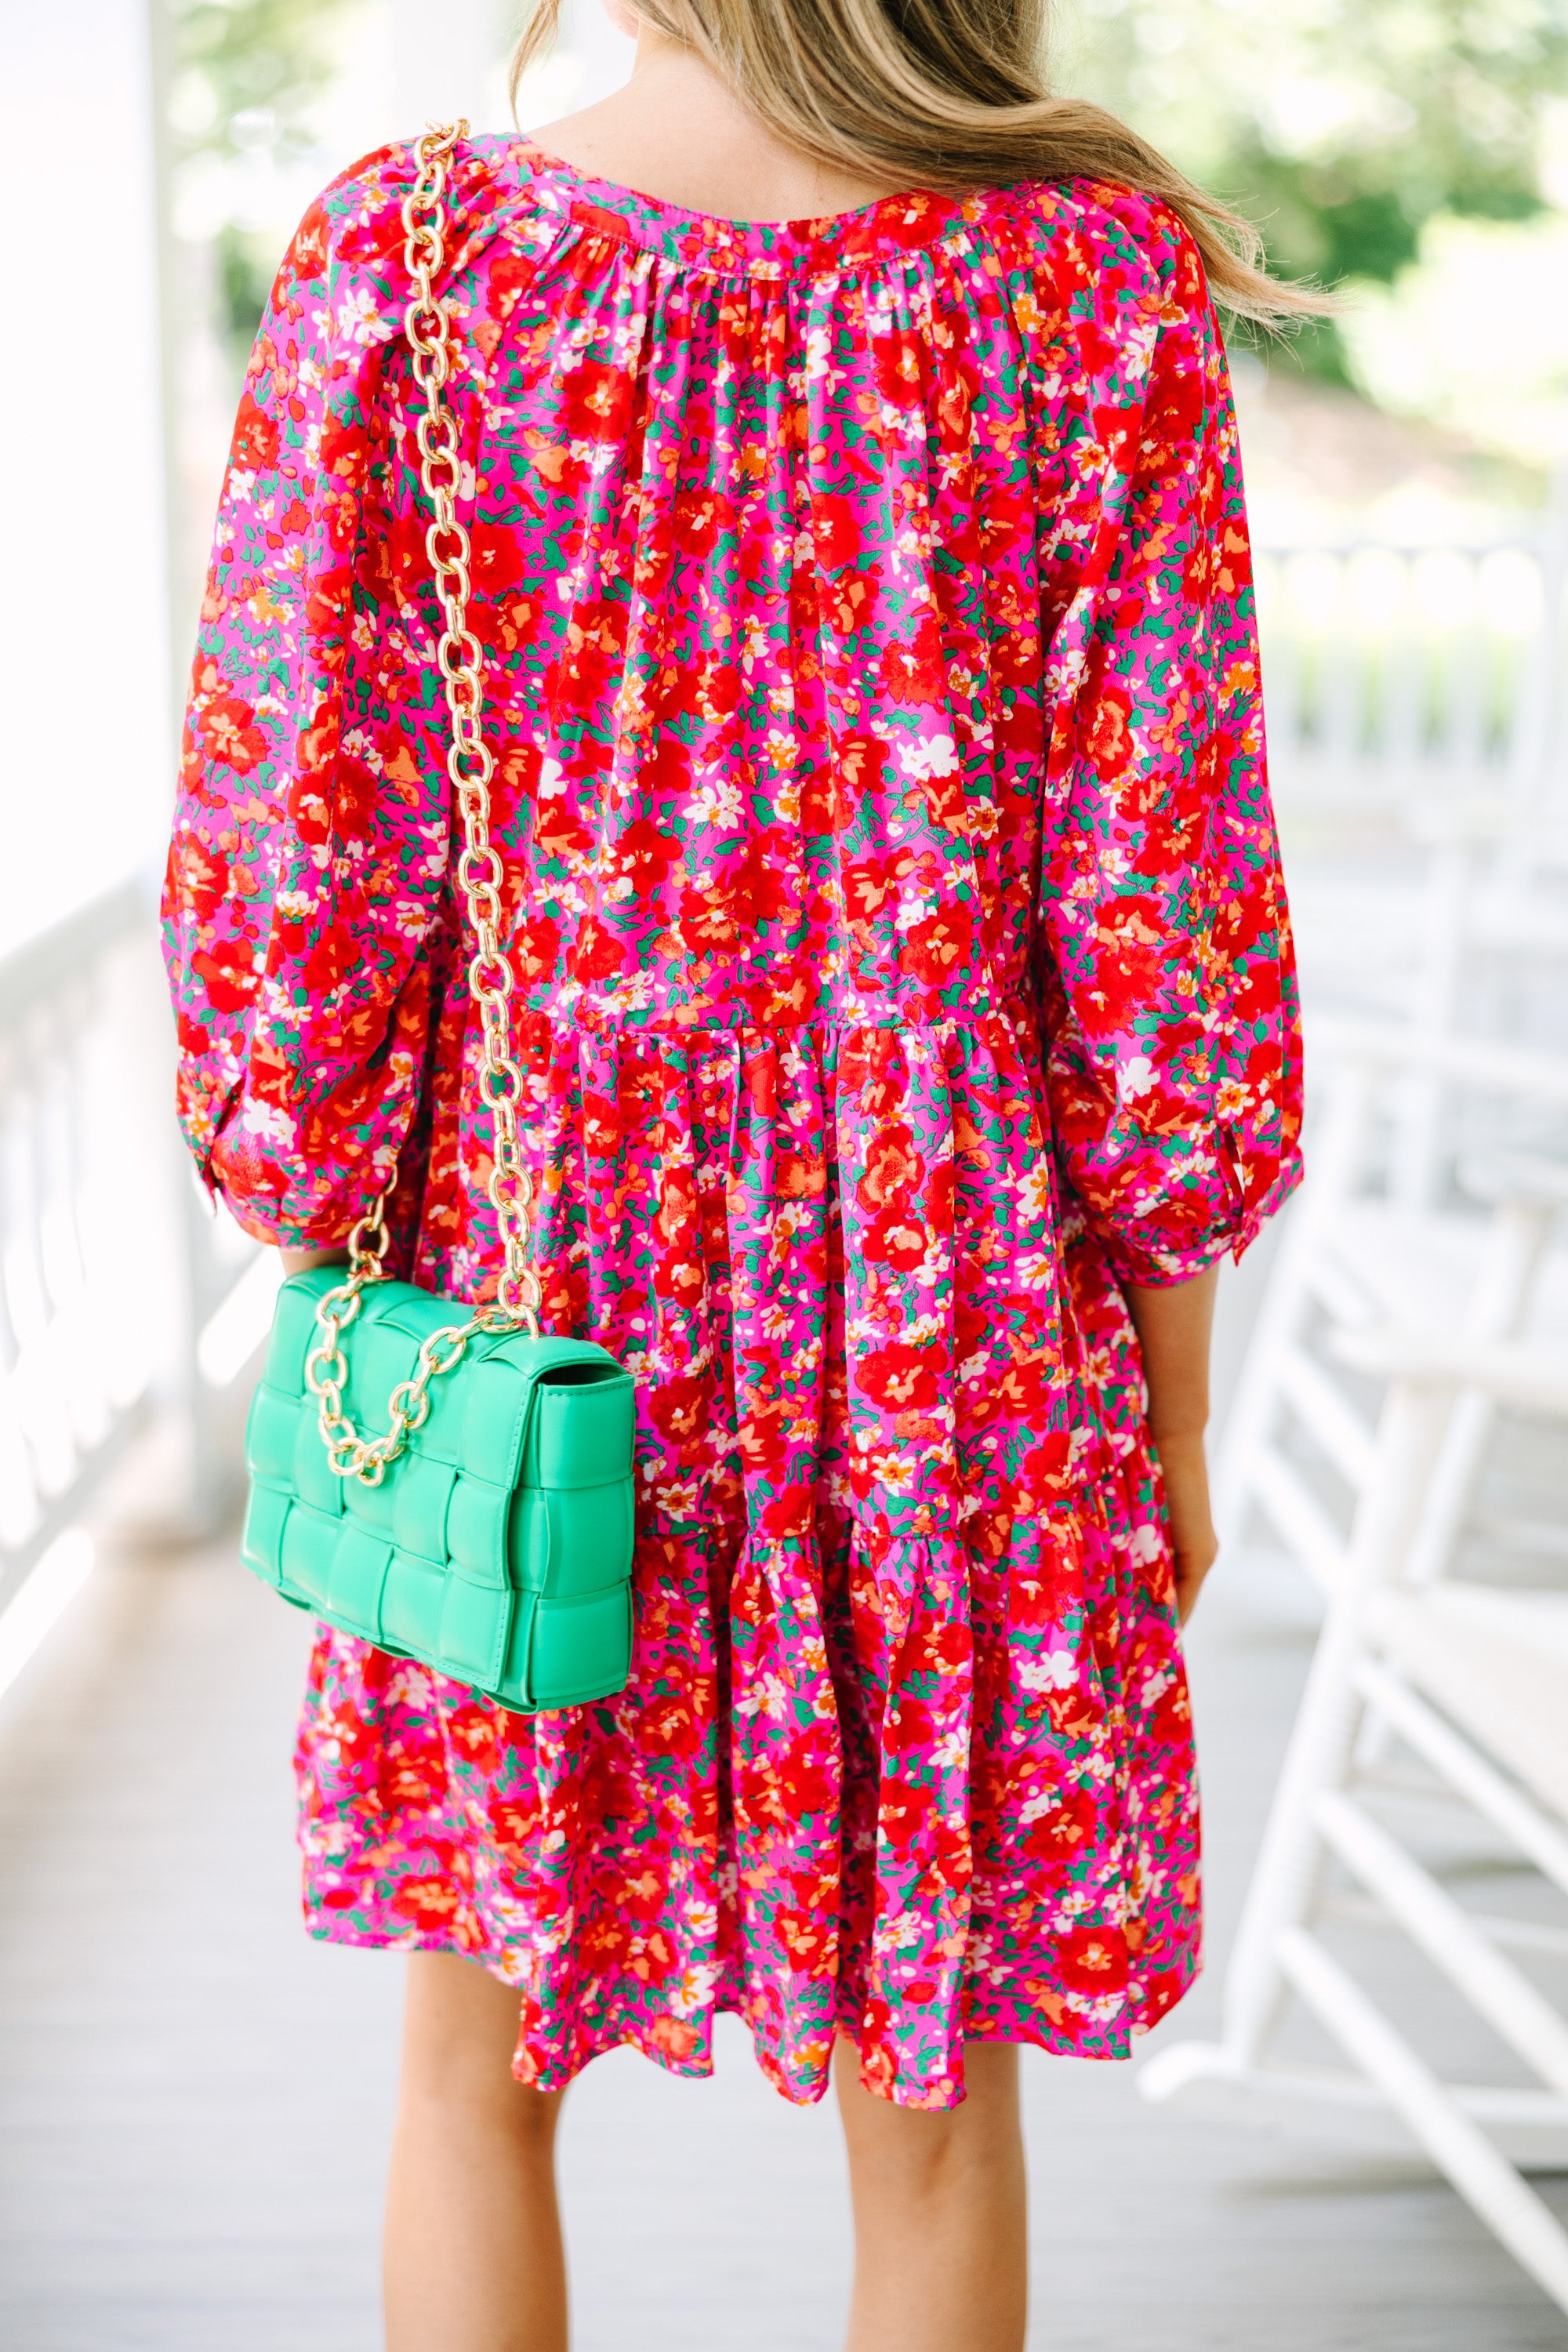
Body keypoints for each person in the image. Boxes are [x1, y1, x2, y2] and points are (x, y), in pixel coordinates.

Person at [162, 0, 1314, 2343]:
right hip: (958, 1320)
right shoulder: (1089, 283)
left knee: (471, 2071)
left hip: (529, 1331)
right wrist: (1176, 1414)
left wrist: (319, 1203)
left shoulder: (404, 261)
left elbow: (297, 885)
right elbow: (1158, 926)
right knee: (938, 2111)